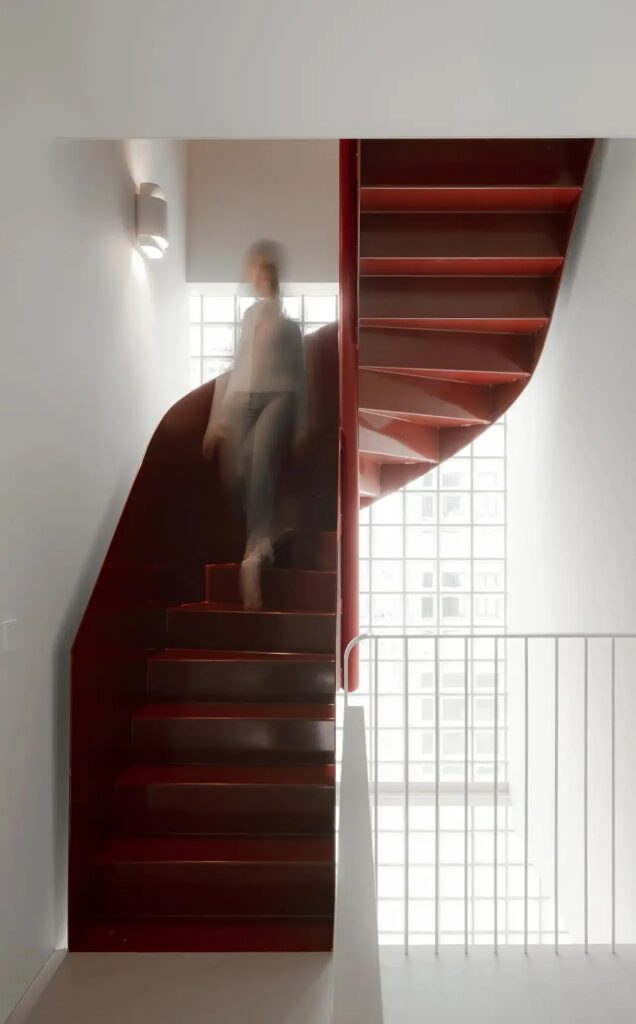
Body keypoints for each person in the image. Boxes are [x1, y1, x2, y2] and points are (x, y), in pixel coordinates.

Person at [202, 241, 306, 609]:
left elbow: (302, 379)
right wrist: (216, 419)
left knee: (261, 464)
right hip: (242, 400)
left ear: (275, 276)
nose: (264, 275)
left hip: (281, 396)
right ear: (252, 275)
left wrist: (301, 424)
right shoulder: (248, 317)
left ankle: (252, 561)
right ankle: (272, 530)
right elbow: (234, 365)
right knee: (238, 475)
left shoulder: (290, 327)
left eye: (269, 269)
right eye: (258, 269)